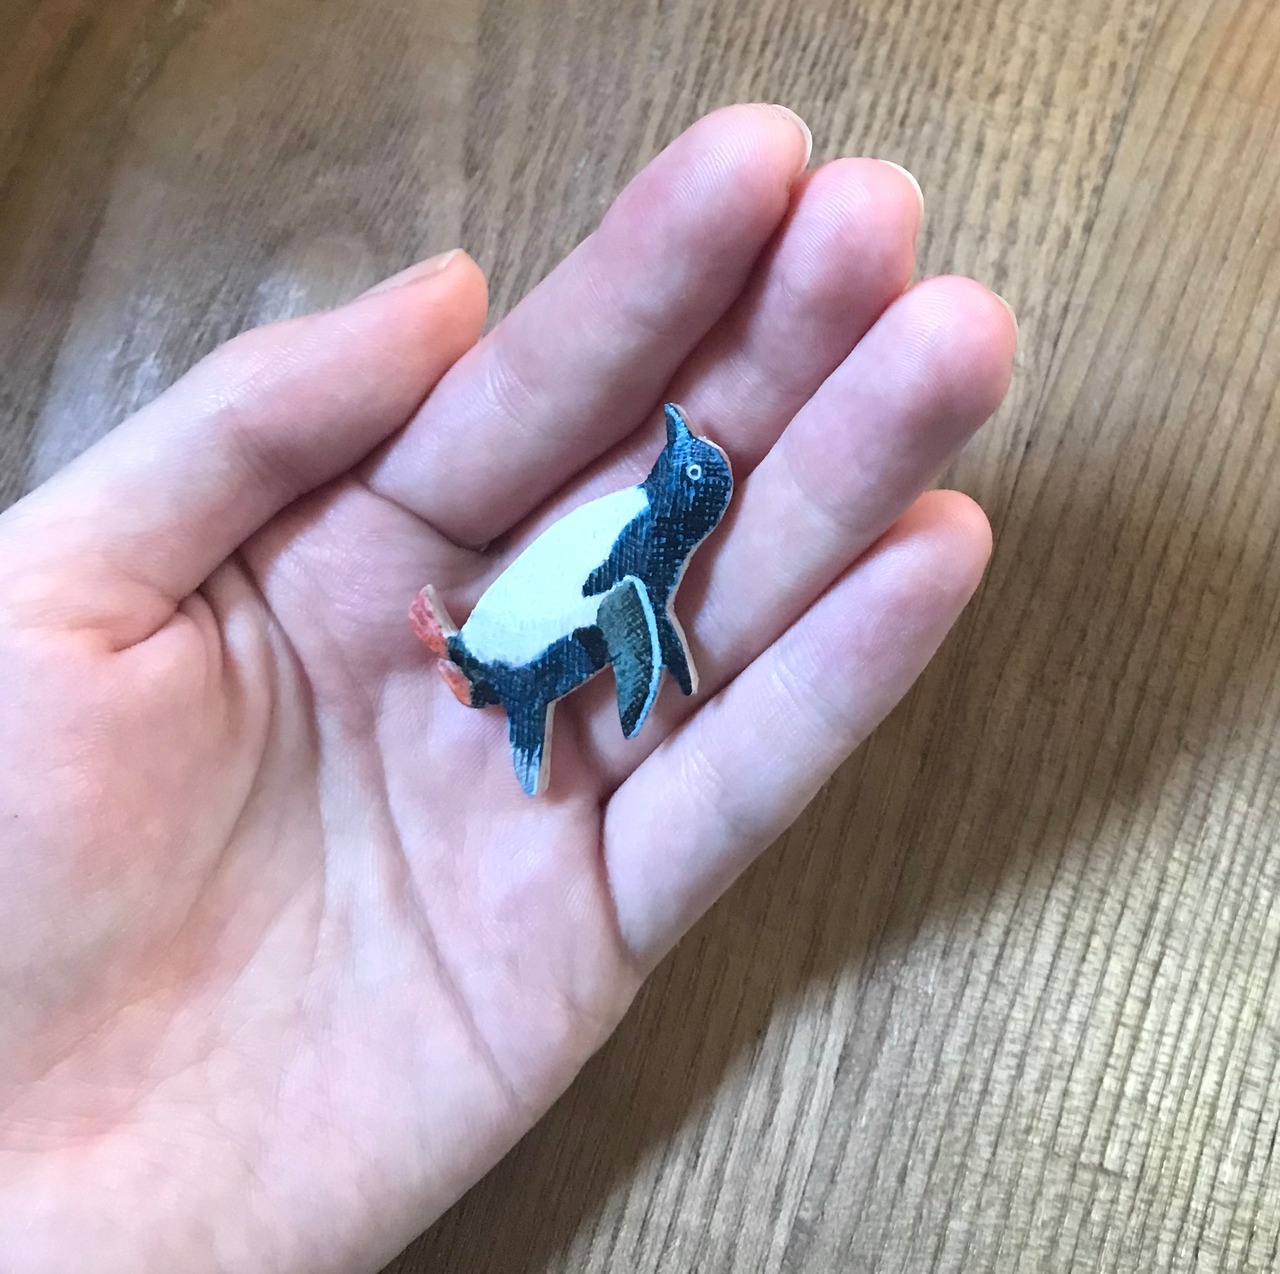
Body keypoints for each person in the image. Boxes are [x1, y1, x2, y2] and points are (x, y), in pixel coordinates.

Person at [0, 104, 1015, 1270]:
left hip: (535, 641)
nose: (695, 488)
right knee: (597, 646)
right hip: (526, 646)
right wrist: (617, 655)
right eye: (693, 479)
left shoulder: (652, 539)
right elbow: (628, 609)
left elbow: (637, 607)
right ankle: (513, 686)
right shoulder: (638, 541)